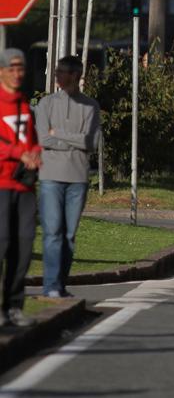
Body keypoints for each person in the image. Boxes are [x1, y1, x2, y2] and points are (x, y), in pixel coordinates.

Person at [35, 55, 100, 299]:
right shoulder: (46, 104)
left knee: (69, 235)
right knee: (53, 232)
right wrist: (73, 139)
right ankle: (51, 286)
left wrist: (59, 134)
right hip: (50, 175)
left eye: (61, 72)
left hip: (78, 177)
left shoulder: (90, 106)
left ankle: (60, 283)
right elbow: (43, 139)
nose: (57, 76)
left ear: (75, 75)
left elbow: (91, 142)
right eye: (56, 71)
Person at [0, 49, 42, 327]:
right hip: (2, 185)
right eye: (13, 68)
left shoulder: (25, 105)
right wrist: (19, 153)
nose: (18, 73)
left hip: (25, 187)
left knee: (24, 245)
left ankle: (14, 306)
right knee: (2, 244)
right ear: (2, 70)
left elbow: (33, 138)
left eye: (22, 68)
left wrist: (36, 152)